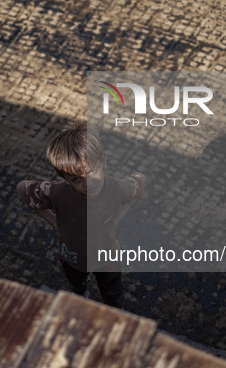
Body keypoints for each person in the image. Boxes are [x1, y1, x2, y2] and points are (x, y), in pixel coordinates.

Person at [16, 121, 145, 308]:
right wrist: (55, 224)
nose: (88, 183)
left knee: (112, 292)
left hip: (106, 257)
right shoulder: (57, 192)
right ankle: (80, 295)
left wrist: (115, 221)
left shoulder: (118, 188)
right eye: (77, 179)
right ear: (65, 179)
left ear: (103, 160)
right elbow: (23, 190)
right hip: (72, 258)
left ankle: (116, 311)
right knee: (76, 283)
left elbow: (139, 183)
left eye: (92, 171)